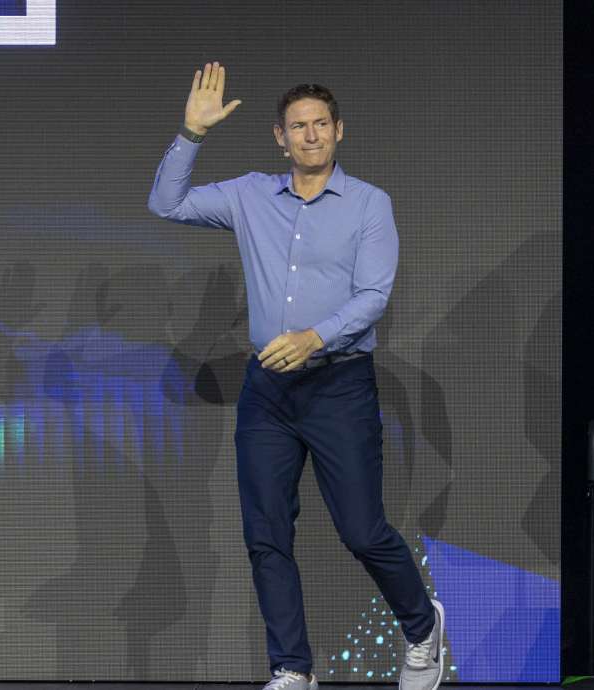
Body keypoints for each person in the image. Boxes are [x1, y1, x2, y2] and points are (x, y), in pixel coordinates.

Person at [147, 63, 445, 690]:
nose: (310, 136)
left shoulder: (369, 204)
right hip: (269, 392)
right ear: (279, 139)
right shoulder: (251, 195)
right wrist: (191, 134)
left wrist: (315, 336)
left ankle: (421, 628)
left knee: (363, 531)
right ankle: (292, 668)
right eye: (297, 128)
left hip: (339, 383)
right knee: (266, 535)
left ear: (339, 131)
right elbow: (165, 202)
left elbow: (373, 296)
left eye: (320, 125)